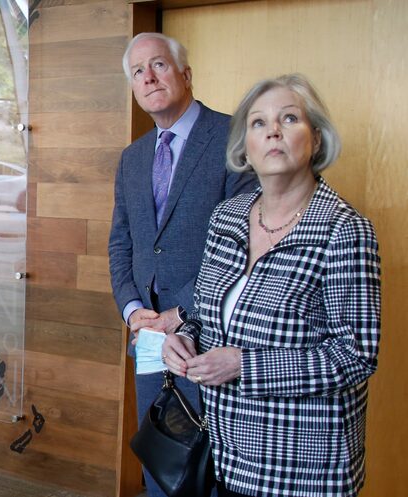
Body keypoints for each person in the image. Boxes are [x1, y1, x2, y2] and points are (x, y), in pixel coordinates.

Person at [162, 74, 380, 497]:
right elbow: (206, 313)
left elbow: (356, 356)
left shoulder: (344, 231)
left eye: (289, 118)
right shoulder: (226, 217)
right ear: (246, 146)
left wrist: (245, 365)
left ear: (315, 139)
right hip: (228, 457)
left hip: (305, 470)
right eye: (258, 123)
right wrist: (183, 338)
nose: (273, 131)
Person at [108, 33, 256, 497]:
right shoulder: (132, 158)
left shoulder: (234, 139)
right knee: (163, 467)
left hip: (212, 339)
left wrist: (182, 312)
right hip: (149, 340)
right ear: (133, 88)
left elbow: (246, 247)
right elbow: (121, 244)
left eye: (159, 65)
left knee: (212, 477)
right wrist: (133, 310)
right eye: (138, 72)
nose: (149, 78)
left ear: (186, 74)